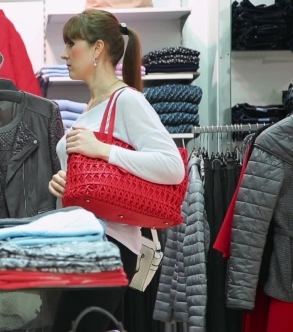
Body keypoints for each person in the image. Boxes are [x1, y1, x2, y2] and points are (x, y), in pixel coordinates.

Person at [48, 10, 185, 332]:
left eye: (71, 43)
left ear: (97, 49)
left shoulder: (126, 101)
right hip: (86, 243)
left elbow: (172, 167)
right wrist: (64, 184)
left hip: (110, 245)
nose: (64, 54)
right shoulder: (93, 106)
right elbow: (92, 180)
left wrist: (104, 150)